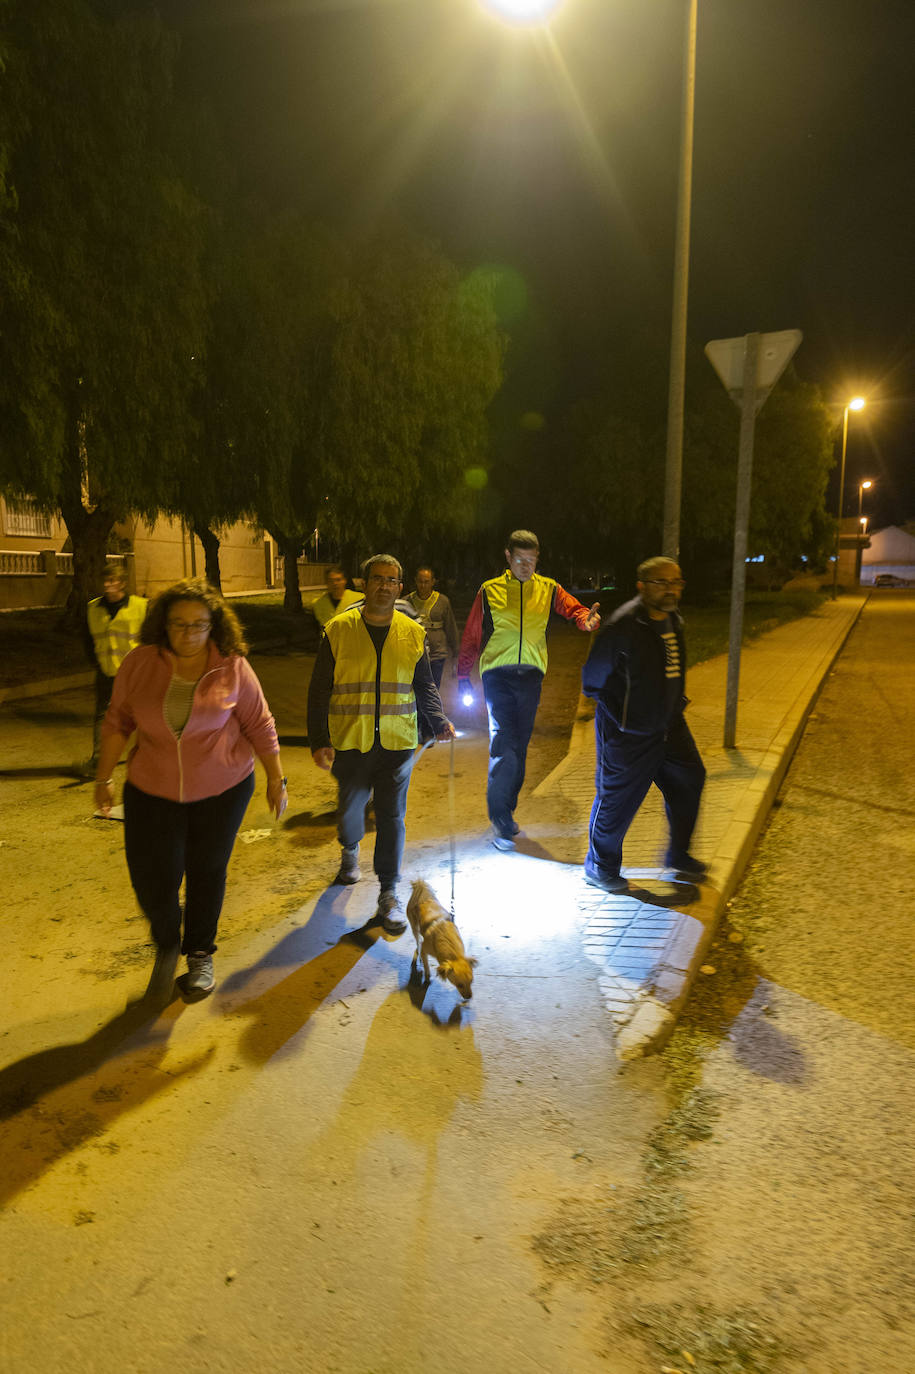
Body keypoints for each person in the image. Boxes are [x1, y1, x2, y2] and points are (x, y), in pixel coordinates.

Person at [94, 578, 287, 1003]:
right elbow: (118, 722)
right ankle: (167, 937)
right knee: (153, 877)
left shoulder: (233, 666)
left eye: (198, 625)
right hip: (151, 789)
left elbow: (260, 723)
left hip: (223, 788)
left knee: (206, 870)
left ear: (212, 626)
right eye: (178, 624)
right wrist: (104, 777)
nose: (188, 633)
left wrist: (275, 777)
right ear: (163, 624)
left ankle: (199, 953)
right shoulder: (139, 663)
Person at [307, 554, 454, 934]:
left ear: (399, 587)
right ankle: (350, 848)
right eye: (377, 579)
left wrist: (437, 720)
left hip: (397, 743)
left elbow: (424, 685)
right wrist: (319, 739)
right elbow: (320, 689)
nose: (384, 586)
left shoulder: (412, 633)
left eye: (392, 580)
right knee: (351, 809)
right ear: (364, 584)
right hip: (351, 742)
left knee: (391, 818)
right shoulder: (338, 629)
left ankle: (388, 894)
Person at [458, 529, 601, 851]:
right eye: (520, 560)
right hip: (497, 675)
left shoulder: (548, 589)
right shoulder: (490, 590)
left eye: (532, 560)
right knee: (505, 741)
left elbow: (575, 610)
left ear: (538, 559)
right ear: (508, 557)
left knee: (519, 746)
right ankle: (500, 819)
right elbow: (472, 633)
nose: (526, 566)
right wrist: (463, 673)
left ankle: (506, 811)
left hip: (531, 677)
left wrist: (585, 621)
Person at [580, 556, 706, 894]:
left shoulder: (674, 621)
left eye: (676, 582)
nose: (670, 590)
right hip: (628, 734)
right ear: (642, 587)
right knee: (616, 801)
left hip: (670, 727)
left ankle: (678, 856)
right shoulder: (623, 626)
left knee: (690, 780)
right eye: (661, 583)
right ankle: (599, 867)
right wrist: (622, 718)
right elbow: (592, 681)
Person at [78, 565, 147, 777]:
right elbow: (88, 640)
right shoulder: (92, 608)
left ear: (123, 584)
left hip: (134, 674)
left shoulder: (140, 606)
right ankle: (98, 759)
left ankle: (149, 754)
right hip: (106, 672)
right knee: (102, 715)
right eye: (106, 580)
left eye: (113, 581)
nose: (108, 585)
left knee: (144, 715)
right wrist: (97, 663)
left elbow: (150, 639)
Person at [406, 565, 460, 689]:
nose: (423, 585)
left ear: (433, 582)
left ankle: (432, 709)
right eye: (420, 582)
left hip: (437, 654)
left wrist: (456, 651)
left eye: (426, 582)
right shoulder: (407, 601)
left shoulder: (442, 601)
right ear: (415, 581)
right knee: (415, 689)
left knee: (433, 688)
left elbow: (450, 626)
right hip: (414, 654)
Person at [311, 566, 362, 630]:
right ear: (326, 582)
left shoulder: (359, 599)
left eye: (338, 580)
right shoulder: (319, 604)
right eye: (330, 580)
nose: (335, 583)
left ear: (345, 580)